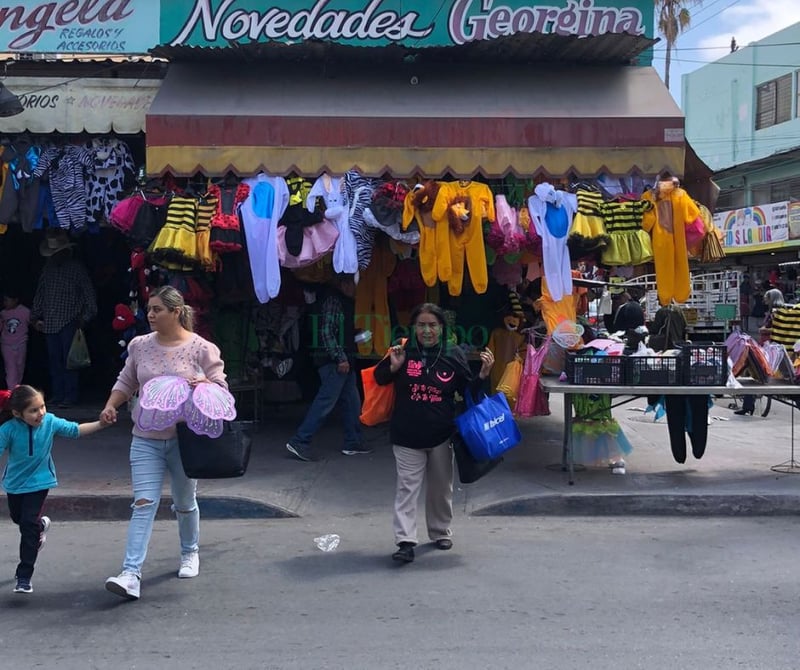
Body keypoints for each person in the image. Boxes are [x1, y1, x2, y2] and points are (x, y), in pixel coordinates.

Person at [100, 286, 228, 601]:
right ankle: (131, 574)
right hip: (145, 439)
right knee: (143, 503)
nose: (150, 315)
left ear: (175, 312)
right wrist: (111, 405)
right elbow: (127, 380)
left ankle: (190, 552)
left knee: (184, 502)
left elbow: (222, 388)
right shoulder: (139, 346)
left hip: (186, 440)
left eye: (157, 309)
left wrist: (206, 384)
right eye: (149, 308)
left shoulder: (201, 348)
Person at [374, 303, 494, 564]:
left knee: (440, 488)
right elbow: (379, 378)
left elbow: (469, 392)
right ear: (414, 327)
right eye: (421, 325)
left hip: (441, 434)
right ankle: (405, 541)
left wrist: (483, 374)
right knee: (407, 488)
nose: (427, 330)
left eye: (432, 325)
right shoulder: (402, 350)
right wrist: (394, 366)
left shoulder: (453, 354)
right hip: (406, 434)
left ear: (441, 328)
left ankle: (440, 531)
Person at [0, 384, 109, 594]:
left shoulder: (50, 422)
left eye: (42, 407)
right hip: (15, 483)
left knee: (27, 525)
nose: (40, 413)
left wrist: (101, 424)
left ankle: (24, 576)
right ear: (17, 413)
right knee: (19, 519)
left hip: (40, 482)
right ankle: (40, 527)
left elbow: (75, 430)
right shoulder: (8, 430)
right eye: (33, 410)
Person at [286, 273, 370, 461]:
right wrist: (340, 357)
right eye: (350, 283)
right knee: (325, 403)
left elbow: (337, 330)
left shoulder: (343, 301)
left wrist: (356, 335)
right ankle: (300, 440)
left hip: (344, 361)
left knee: (352, 402)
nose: (353, 288)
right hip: (334, 363)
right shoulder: (333, 300)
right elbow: (326, 332)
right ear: (343, 284)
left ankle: (353, 441)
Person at [31, 231, 97, 407]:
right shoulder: (48, 269)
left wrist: (85, 317)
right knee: (54, 361)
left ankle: (70, 396)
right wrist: (35, 316)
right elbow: (41, 293)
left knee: (71, 362)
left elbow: (88, 295)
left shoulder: (76, 269)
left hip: (70, 322)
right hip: (49, 322)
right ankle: (58, 394)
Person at [737, 288, 785, 416]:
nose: (764, 300)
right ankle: (748, 405)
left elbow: (774, 329)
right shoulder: (773, 312)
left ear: (772, 298)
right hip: (768, 347)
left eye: (766, 298)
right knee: (753, 371)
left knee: (755, 373)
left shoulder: (778, 313)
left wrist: (764, 329)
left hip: (772, 350)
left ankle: (748, 405)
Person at [0, 290, 31, 388]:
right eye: (4, 300)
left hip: (21, 343)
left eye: (7, 300)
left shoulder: (25, 311)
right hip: (7, 344)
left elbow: (32, 322)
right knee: (10, 368)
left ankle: (17, 389)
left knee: (20, 367)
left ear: (15, 300)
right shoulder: (3, 313)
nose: (5, 303)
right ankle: (11, 392)